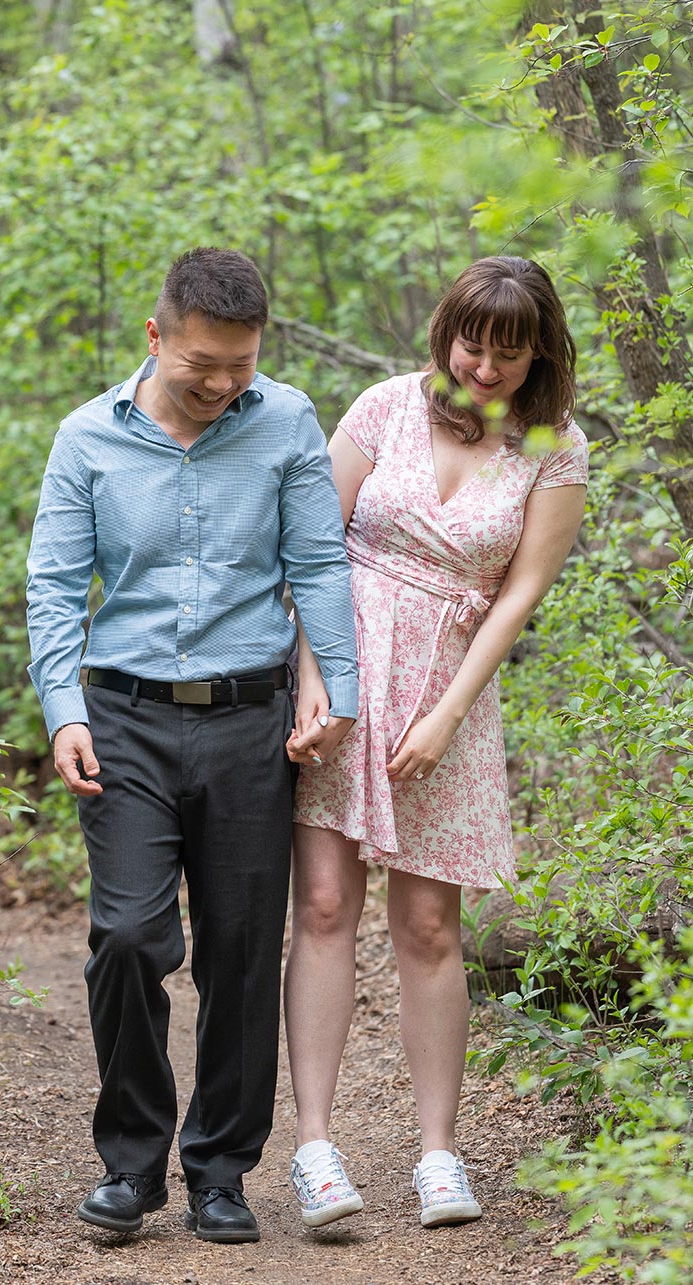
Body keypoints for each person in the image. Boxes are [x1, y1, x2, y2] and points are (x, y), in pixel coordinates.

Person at [25, 247, 358, 1244]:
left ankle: (221, 1168)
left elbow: (319, 564)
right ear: (154, 336)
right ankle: (131, 1167)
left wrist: (335, 690)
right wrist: (62, 707)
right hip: (122, 715)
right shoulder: (86, 439)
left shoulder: (287, 421)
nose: (219, 384)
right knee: (128, 936)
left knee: (243, 948)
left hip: (252, 718)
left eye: (239, 365)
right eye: (199, 364)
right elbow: (52, 586)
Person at [283, 256, 589, 1230]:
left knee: (426, 928)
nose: (485, 366)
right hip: (341, 671)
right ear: (443, 332)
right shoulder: (381, 408)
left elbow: (517, 598)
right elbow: (309, 550)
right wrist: (313, 686)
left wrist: (448, 714)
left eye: (507, 348)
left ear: (539, 348)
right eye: (470, 342)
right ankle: (316, 1147)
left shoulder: (555, 448)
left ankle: (436, 1153)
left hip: (447, 695)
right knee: (325, 903)